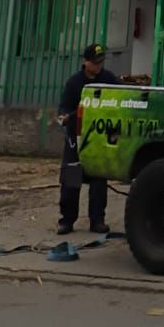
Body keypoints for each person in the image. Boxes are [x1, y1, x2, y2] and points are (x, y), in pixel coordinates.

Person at [56, 41, 116, 235]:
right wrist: (64, 117)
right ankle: (67, 220)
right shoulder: (74, 83)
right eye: (95, 62)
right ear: (86, 62)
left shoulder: (107, 79)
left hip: (98, 139)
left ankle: (97, 220)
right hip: (77, 139)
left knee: (99, 181)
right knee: (71, 181)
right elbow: (63, 109)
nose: (99, 66)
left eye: (101, 62)